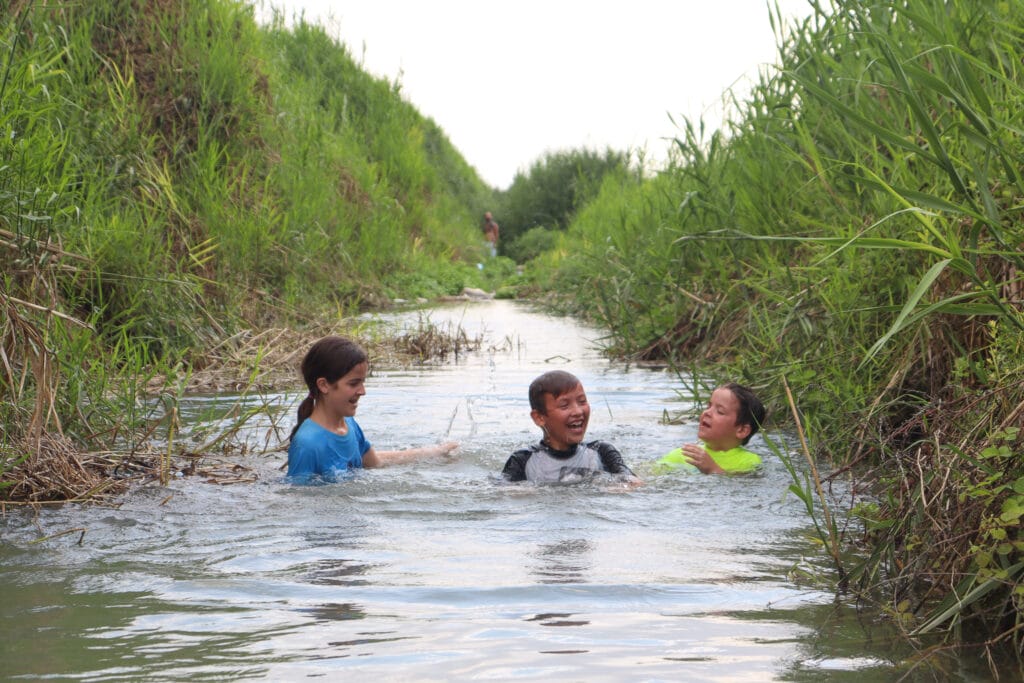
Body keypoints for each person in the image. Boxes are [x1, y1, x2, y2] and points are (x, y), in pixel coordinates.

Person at [286, 335, 458, 483]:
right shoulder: (307, 444)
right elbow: (299, 501)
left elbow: (376, 462)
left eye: (363, 382)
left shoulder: (350, 425)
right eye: (354, 383)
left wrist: (433, 453)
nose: (362, 391)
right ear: (324, 385)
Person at [502, 370, 639, 484]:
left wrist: (618, 485)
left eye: (582, 401)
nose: (578, 412)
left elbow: (634, 482)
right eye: (564, 405)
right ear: (539, 418)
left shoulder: (601, 451)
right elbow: (500, 491)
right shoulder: (522, 460)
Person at [656, 382, 766, 475]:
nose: (707, 413)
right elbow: (649, 474)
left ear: (741, 430)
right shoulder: (684, 454)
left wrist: (712, 469)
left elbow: (741, 487)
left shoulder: (749, 461)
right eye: (709, 406)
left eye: (720, 411)